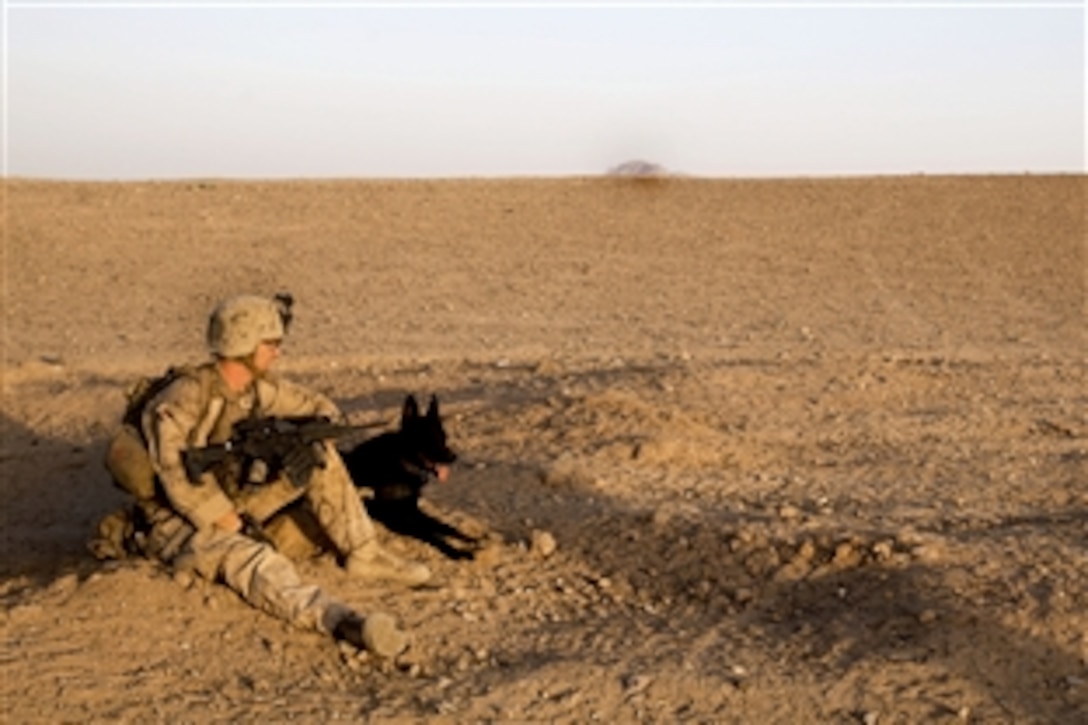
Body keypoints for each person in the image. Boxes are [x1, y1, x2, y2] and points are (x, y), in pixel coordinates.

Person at [99, 293, 430, 657]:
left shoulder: (252, 388)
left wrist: (323, 423)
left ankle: (363, 552)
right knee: (257, 562)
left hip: (235, 501)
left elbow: (305, 402)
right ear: (244, 345)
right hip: (180, 521)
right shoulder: (184, 396)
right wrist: (224, 518)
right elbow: (174, 471)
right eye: (271, 344)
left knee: (316, 454)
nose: (277, 352)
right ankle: (342, 621)